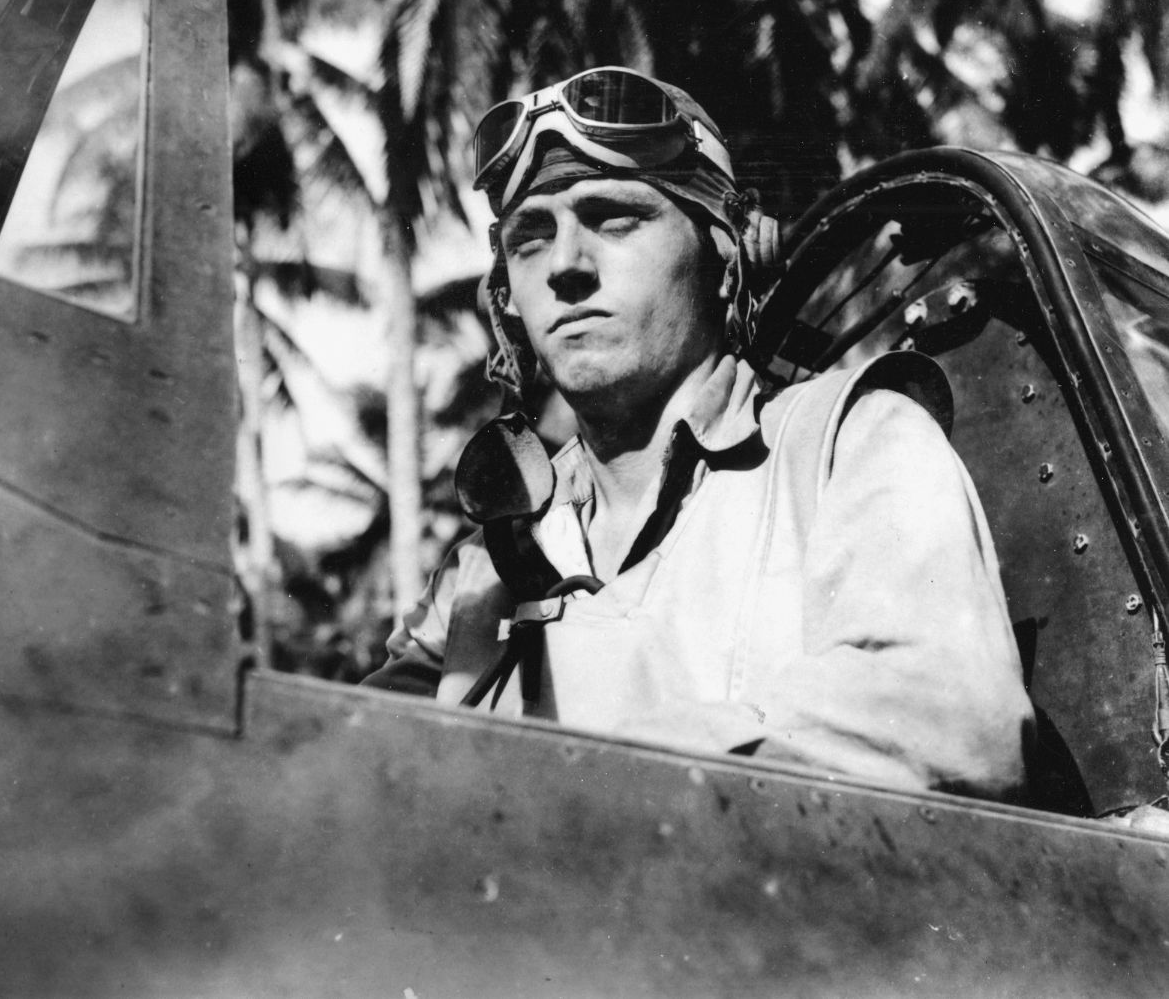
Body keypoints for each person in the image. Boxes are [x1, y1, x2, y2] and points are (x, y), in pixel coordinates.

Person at [362, 66, 1033, 800]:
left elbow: (954, 719)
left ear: (726, 253)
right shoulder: (479, 575)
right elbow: (343, 774)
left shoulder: (847, 446)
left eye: (614, 218)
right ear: (507, 303)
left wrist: (579, 780)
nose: (565, 267)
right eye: (529, 239)